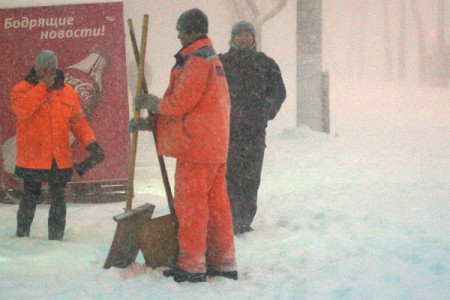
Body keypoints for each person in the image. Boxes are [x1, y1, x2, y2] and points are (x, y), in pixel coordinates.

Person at [131, 8, 237, 283]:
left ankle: (191, 265)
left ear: (192, 31)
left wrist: (154, 104)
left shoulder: (196, 61)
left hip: (195, 149)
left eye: (180, 29)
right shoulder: (210, 59)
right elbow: (198, 108)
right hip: (212, 146)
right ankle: (222, 261)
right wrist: (152, 123)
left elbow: (180, 103)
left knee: (192, 209)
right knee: (217, 210)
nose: (177, 34)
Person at [10, 50, 104, 241]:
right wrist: (42, 87)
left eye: (50, 68)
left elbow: (78, 122)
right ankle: (21, 238)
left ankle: (56, 238)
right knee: (30, 198)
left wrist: (91, 143)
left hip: (59, 158)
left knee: (59, 200)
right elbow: (22, 111)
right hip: (32, 157)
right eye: (43, 68)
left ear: (56, 68)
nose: (47, 72)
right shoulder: (21, 89)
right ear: (36, 68)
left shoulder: (68, 91)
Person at [219, 21, 286, 235]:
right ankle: (227, 220)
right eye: (239, 34)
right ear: (232, 38)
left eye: (247, 34)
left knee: (250, 178)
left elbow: (279, 92)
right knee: (227, 178)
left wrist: (265, 111)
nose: (243, 38)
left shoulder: (265, 64)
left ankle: (244, 221)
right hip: (226, 133)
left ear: (253, 38)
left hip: (254, 134)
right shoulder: (221, 64)